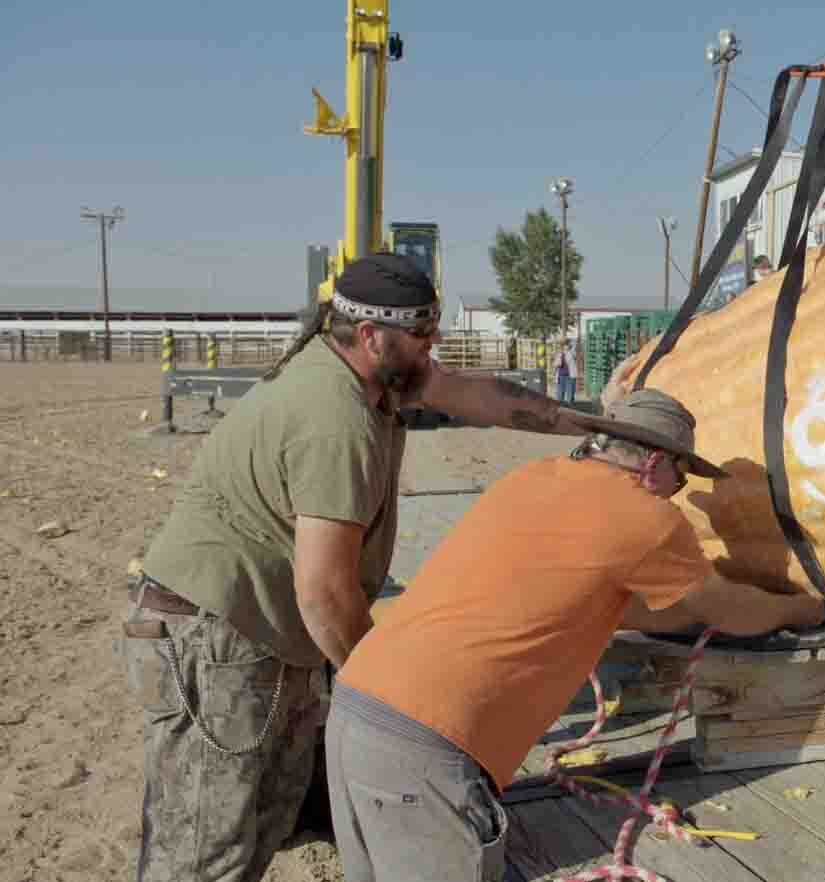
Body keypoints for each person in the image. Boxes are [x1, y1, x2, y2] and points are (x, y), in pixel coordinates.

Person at [123, 252, 599, 882]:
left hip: (263, 633)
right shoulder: (335, 419)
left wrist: (585, 424)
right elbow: (324, 593)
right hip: (216, 640)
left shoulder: (371, 372)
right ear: (373, 336)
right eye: (422, 338)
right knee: (207, 850)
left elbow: (476, 396)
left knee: (269, 817)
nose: (433, 351)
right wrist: (391, 699)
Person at [324, 388, 825, 882]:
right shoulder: (644, 517)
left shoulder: (534, 477)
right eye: (679, 476)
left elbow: (617, 607)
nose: (677, 490)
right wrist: (798, 608)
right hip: (426, 743)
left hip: (356, 704)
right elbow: (734, 612)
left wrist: (692, 609)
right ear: (656, 462)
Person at [553, 338, 579, 403]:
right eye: (564, 345)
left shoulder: (572, 352)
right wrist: (557, 362)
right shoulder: (559, 354)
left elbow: (574, 343)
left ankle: (570, 409)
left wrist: (570, 342)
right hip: (561, 377)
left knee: (570, 397)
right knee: (559, 396)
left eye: (567, 345)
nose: (565, 346)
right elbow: (555, 364)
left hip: (570, 377)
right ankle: (559, 409)